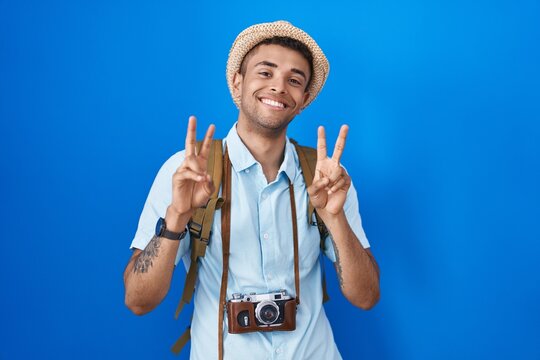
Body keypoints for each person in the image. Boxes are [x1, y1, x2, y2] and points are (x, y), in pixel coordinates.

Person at [124, 20, 380, 359]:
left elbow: (366, 297)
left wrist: (334, 219)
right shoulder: (185, 171)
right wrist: (176, 218)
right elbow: (138, 301)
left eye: (294, 80)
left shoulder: (326, 177)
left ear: (303, 100)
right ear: (237, 81)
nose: (278, 87)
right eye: (265, 72)